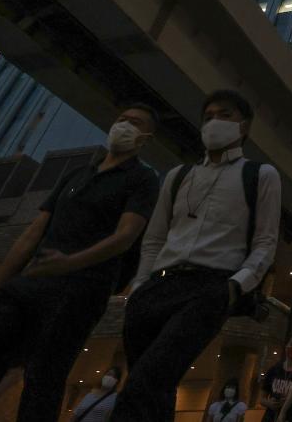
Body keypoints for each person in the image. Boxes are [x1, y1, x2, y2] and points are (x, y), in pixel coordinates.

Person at [0, 104, 161, 422]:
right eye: (121, 119)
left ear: (145, 138)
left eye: (135, 123)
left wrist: (71, 263)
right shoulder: (77, 175)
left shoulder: (142, 179)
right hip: (29, 284)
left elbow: (126, 236)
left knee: (42, 381)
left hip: (80, 292)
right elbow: (32, 234)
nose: (125, 126)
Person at [113, 89, 281, 421]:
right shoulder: (178, 176)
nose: (215, 122)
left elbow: (265, 243)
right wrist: (140, 284)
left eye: (226, 115)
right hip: (156, 287)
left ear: (244, 127)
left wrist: (234, 287)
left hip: (209, 287)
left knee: (145, 383)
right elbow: (155, 238)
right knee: (154, 387)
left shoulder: (261, 175)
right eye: (208, 116)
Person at [259, 333, 292, 421]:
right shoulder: (274, 370)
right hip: (270, 417)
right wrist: (269, 403)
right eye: (291, 344)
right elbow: (261, 398)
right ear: (286, 346)